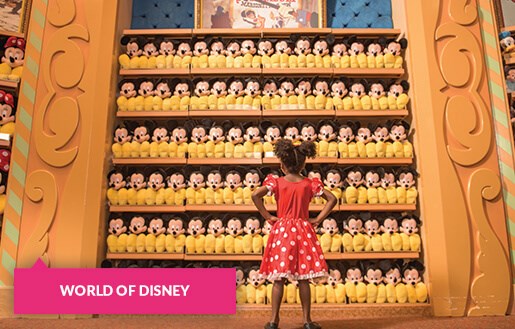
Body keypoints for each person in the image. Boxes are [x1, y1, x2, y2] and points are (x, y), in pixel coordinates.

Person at [252, 139, 337, 329]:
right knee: (304, 277)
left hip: (282, 230)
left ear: (282, 164)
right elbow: (332, 198)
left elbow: (255, 195)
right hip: (303, 230)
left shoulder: (277, 183)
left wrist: (267, 215)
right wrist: (318, 219)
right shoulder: (309, 184)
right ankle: (307, 321)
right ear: (303, 164)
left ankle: (274, 320)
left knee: (278, 279)